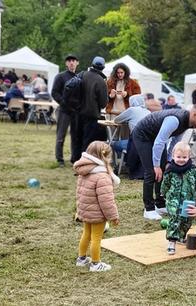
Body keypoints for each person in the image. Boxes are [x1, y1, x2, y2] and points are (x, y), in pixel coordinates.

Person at [132, 104, 196, 221]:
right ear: (194, 114)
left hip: (157, 138)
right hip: (143, 135)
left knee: (164, 169)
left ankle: (160, 204)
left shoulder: (187, 124)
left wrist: (169, 160)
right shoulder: (175, 119)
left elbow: (175, 142)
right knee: (151, 172)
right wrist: (156, 165)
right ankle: (148, 208)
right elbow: (160, 142)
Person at [74, 141, 120, 272]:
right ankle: (95, 264)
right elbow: (107, 201)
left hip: (85, 211)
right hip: (97, 214)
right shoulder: (102, 176)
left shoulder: (84, 171)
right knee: (96, 238)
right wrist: (113, 216)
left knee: (86, 234)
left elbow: (80, 192)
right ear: (105, 156)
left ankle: (81, 259)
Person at [161, 142, 196, 255]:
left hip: (189, 200)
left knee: (186, 220)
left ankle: (181, 236)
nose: (181, 160)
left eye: (184, 157)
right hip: (173, 200)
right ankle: (172, 241)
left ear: (189, 157)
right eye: (178, 157)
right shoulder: (170, 170)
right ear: (173, 156)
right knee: (174, 220)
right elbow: (165, 183)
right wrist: (163, 193)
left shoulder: (193, 170)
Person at [71, 57, 108, 163]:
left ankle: (75, 159)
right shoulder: (101, 81)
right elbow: (103, 103)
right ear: (103, 67)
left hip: (77, 112)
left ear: (92, 64)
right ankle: (83, 162)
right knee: (87, 140)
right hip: (91, 115)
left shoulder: (82, 74)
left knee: (77, 137)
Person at [51, 54, 79, 168]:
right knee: (61, 136)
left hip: (76, 111)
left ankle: (74, 158)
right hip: (64, 111)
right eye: (69, 61)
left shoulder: (79, 77)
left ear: (77, 63)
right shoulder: (60, 77)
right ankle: (60, 159)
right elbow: (54, 92)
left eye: (73, 60)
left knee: (75, 136)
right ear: (66, 64)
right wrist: (63, 103)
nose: (71, 63)